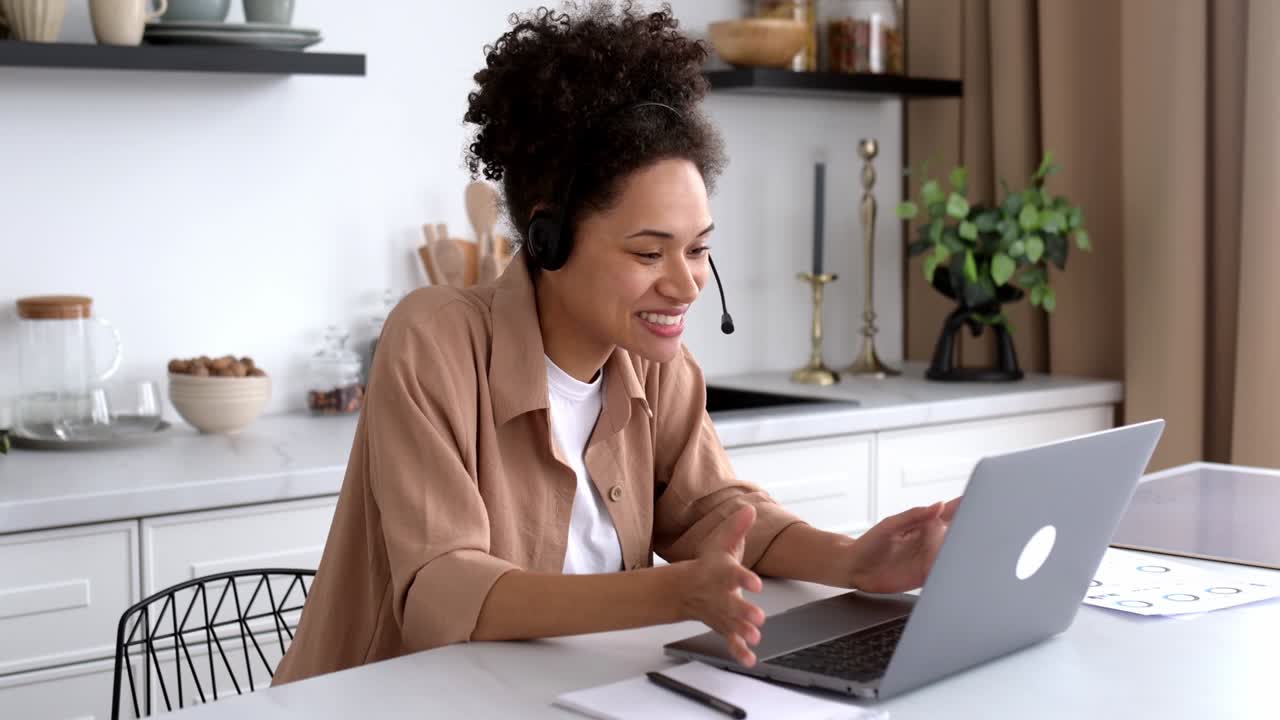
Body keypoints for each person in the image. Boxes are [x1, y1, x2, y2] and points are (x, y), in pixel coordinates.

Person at [272, 1, 958, 686]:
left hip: (555, 696)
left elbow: (715, 510)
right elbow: (441, 589)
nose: (685, 286)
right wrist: (672, 593)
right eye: (649, 252)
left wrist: (851, 561)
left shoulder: (654, 363)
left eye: (698, 250)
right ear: (550, 238)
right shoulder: (434, 340)